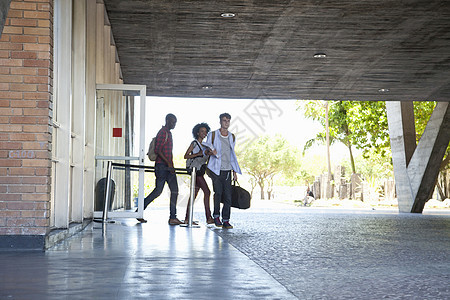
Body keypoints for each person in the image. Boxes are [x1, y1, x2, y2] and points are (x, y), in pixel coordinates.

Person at [138, 113, 182, 225]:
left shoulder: (168, 133)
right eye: (173, 122)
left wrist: (170, 164)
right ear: (167, 120)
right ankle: (139, 211)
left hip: (168, 166)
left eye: (175, 122)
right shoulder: (163, 132)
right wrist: (168, 163)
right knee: (158, 191)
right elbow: (158, 150)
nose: (174, 124)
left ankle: (173, 217)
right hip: (162, 167)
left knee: (174, 190)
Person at [206, 113, 241, 229]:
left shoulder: (232, 137)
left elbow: (232, 155)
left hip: (227, 171)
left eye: (228, 120)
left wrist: (234, 171)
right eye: (224, 120)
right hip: (216, 170)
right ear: (220, 121)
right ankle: (216, 216)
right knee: (218, 194)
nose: (226, 122)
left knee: (228, 196)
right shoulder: (213, 135)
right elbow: (205, 151)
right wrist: (212, 152)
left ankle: (226, 220)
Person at [183, 123, 214, 225]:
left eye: (205, 131)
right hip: (195, 171)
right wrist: (198, 154)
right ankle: (208, 217)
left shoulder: (206, 146)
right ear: (197, 133)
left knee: (193, 195)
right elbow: (186, 156)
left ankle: (187, 218)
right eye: (202, 131)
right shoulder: (194, 143)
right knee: (207, 192)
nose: (204, 133)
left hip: (199, 171)